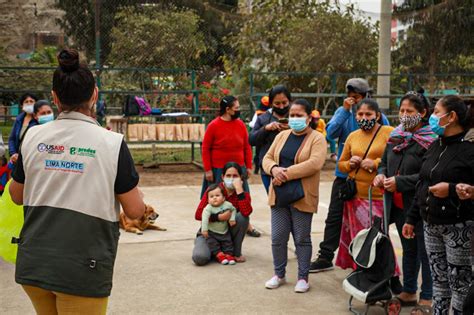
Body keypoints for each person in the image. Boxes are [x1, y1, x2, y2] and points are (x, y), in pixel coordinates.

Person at [8, 48, 145, 315]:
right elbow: (135, 211)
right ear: (94, 95)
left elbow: (16, 194)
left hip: (35, 263)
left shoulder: (33, 137)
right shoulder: (111, 143)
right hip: (83, 268)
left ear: (54, 97)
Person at [310, 78, 390, 273]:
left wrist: (377, 164)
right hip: (344, 175)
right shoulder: (343, 112)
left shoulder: (379, 117)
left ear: (365, 96)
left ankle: (368, 259)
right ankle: (326, 255)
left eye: (357, 97)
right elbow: (330, 133)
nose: (353, 100)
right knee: (335, 216)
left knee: (368, 221)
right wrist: (345, 111)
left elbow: (389, 144)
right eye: (350, 97)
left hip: (370, 180)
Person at [403, 95, 474, 315]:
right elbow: (423, 185)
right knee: (439, 283)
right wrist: (411, 218)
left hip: (458, 227)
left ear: (451, 117)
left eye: (435, 112)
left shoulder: (469, 151)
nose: (432, 117)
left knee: (459, 284)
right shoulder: (434, 146)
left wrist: (452, 189)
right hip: (430, 224)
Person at [373, 91, 436, 310]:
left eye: (410, 111)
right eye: (401, 110)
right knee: (408, 250)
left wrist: (400, 182)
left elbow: (428, 175)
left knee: (426, 252)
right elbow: (383, 162)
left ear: (422, 113)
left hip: (420, 207)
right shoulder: (396, 136)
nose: (404, 115)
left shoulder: (430, 141)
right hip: (398, 206)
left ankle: (427, 295)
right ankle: (409, 291)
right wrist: (381, 174)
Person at [262, 99, 327, 293]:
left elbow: (315, 163)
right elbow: (267, 157)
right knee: (278, 237)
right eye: (292, 115)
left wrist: (285, 173)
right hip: (280, 194)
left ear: (309, 118)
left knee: (301, 238)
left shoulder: (317, 138)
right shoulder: (281, 136)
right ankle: (279, 274)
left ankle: (303, 277)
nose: (295, 118)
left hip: (302, 195)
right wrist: (273, 169)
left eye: (299, 115)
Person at [335, 99, 399, 275]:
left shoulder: (389, 132)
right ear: (356, 116)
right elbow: (340, 164)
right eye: (361, 114)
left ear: (377, 115)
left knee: (378, 238)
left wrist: (376, 163)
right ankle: (362, 272)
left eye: (369, 114)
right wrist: (350, 164)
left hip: (378, 196)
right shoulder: (352, 136)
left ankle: (387, 275)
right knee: (359, 237)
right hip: (355, 197)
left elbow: (395, 160)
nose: (364, 117)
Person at [193, 162, 253, 265]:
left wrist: (239, 190)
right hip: (210, 233)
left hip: (227, 234)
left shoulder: (243, 194)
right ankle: (212, 248)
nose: (231, 179)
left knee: (243, 217)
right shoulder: (213, 191)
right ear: (222, 176)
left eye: (235, 176)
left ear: (240, 178)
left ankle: (235, 253)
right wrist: (218, 217)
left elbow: (246, 212)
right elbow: (198, 215)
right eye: (228, 176)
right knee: (200, 258)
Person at [201, 95, 252, 197]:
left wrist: (249, 167)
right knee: (218, 199)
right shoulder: (213, 126)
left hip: (238, 169)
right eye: (236, 108)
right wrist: (208, 170)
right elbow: (205, 148)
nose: (239, 110)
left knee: (241, 199)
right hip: (218, 170)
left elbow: (247, 147)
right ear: (227, 109)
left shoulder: (241, 125)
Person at [250, 85, 292, 193]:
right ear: (270, 104)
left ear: (290, 101)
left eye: (284, 103)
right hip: (268, 170)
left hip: (292, 168)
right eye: (277, 104)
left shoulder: (296, 117)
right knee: (274, 202)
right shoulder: (262, 119)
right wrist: (266, 129)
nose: (281, 107)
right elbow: (251, 140)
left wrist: (293, 128)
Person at [201, 184, 237, 265]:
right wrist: (204, 230)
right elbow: (204, 219)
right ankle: (219, 255)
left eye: (217, 195)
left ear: (223, 198)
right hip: (212, 232)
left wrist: (232, 219)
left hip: (224, 231)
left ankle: (229, 255)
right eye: (211, 196)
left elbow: (234, 209)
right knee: (212, 243)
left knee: (228, 242)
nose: (214, 198)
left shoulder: (227, 204)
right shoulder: (208, 208)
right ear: (208, 199)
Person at [8, 93, 39, 164]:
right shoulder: (19, 119)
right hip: (17, 160)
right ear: (22, 105)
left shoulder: (39, 120)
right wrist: (13, 154)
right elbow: (12, 138)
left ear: (36, 104)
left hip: (32, 160)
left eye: (31, 101)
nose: (29, 103)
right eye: (26, 102)